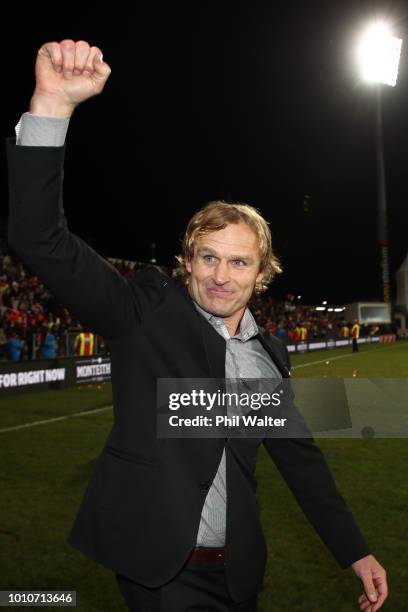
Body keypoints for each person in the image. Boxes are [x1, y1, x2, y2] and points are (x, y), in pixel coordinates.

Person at [5, 39, 388, 612]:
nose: (220, 276)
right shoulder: (145, 313)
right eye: (208, 257)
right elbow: (42, 240)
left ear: (262, 274)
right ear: (186, 262)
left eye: (238, 262)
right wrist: (52, 109)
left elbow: (301, 461)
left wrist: (355, 552)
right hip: (161, 578)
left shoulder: (270, 356)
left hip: (239, 577)